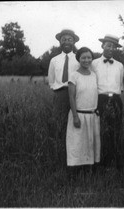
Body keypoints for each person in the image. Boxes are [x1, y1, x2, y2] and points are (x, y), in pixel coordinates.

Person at [66, 47, 100, 180]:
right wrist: (75, 116)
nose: (87, 60)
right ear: (79, 59)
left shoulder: (94, 75)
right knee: (77, 144)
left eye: (89, 57)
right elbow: (71, 97)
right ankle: (74, 174)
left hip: (92, 115)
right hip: (79, 115)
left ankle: (89, 173)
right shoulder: (74, 75)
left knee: (90, 144)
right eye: (83, 58)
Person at [47, 29, 80, 167]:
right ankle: (59, 157)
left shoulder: (79, 58)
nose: (66, 41)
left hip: (76, 94)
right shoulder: (54, 60)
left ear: (74, 42)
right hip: (60, 94)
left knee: (76, 123)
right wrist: (58, 90)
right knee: (59, 124)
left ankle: (76, 157)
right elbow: (51, 80)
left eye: (69, 39)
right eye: (64, 39)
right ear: (60, 42)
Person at [92, 34, 124, 170]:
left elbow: (121, 86)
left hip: (115, 99)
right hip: (100, 99)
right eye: (108, 45)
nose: (111, 48)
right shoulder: (94, 63)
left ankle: (114, 161)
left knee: (115, 130)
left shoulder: (119, 65)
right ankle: (100, 162)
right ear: (103, 46)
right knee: (100, 131)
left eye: (114, 46)